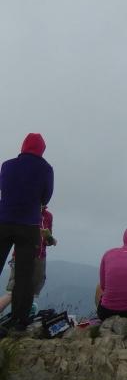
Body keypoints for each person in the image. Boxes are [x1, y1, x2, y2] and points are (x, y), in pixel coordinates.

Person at [0, 133, 54, 332]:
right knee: (24, 275)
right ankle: (19, 321)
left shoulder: (7, 165)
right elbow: (46, 197)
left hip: (3, 220)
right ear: (41, 150)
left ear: (23, 146)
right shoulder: (46, 169)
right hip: (28, 225)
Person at [0, 204, 57, 316]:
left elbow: (48, 242)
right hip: (22, 256)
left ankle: (19, 318)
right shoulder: (26, 211)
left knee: (30, 292)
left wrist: (49, 238)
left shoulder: (48, 216)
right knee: (13, 291)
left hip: (40, 257)